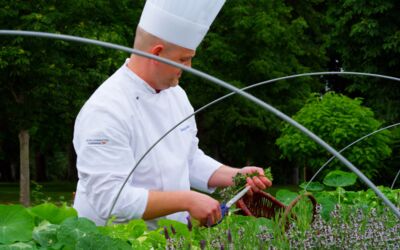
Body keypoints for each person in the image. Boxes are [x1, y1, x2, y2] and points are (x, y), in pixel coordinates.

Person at [73, 0, 271, 229]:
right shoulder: (106, 110)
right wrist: (187, 200)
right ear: (157, 54)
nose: (188, 67)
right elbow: (111, 200)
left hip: (168, 238)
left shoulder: (177, 95)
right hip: (113, 238)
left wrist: (236, 175)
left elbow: (188, 158)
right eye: (183, 59)